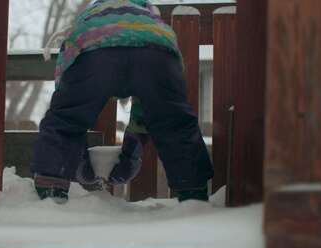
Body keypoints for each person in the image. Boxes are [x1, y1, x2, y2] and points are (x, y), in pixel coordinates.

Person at [31, 0, 214, 203]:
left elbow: (68, 98)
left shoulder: (89, 16)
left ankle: (51, 187)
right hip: (156, 52)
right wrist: (131, 154)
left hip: (95, 50)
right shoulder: (150, 17)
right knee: (174, 122)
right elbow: (149, 108)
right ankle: (193, 193)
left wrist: (79, 159)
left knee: (66, 118)